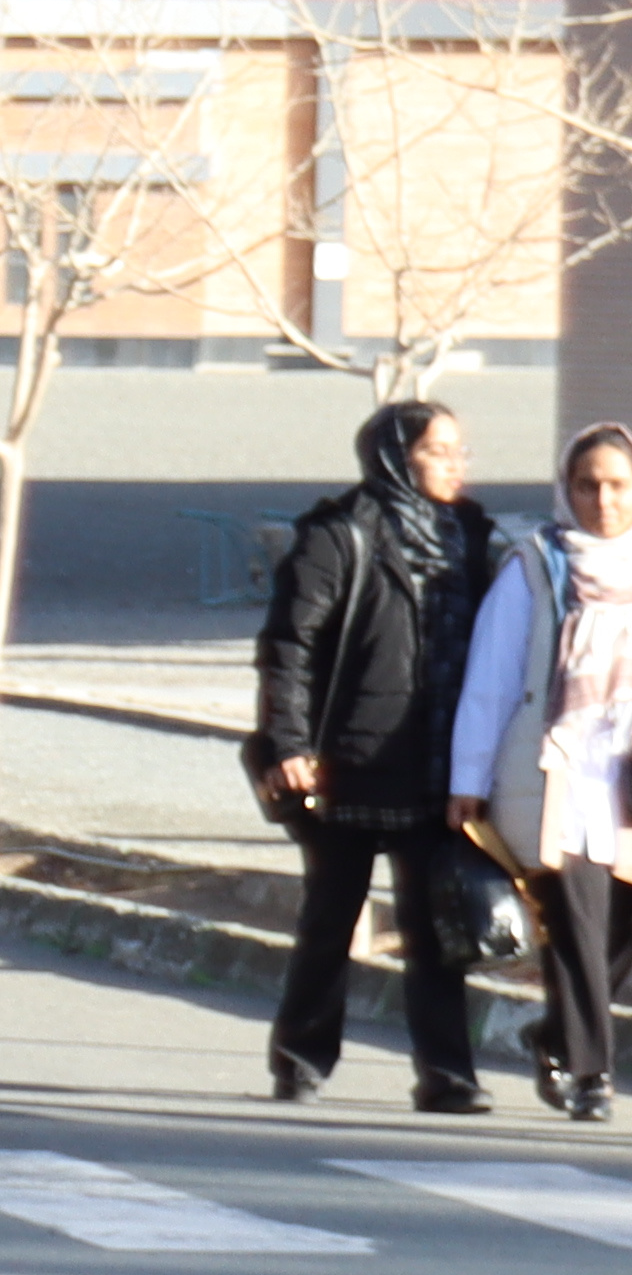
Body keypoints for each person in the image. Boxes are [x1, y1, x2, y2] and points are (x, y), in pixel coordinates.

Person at [258, 398, 498, 1110]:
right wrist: (289, 742)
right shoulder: (341, 536)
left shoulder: (473, 537)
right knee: (332, 918)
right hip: (349, 764)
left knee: (439, 928)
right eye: (438, 451)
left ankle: (448, 1077)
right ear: (397, 458)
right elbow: (289, 646)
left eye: (459, 450)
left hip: (439, 764)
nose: (456, 464)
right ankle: (301, 1061)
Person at [459, 422, 632, 1120]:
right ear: (566, 488)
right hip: (557, 768)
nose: (603, 499)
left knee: (618, 926)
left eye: (618, 484)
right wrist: (466, 780)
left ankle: (557, 1034)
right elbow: (492, 681)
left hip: (625, 775)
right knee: (579, 920)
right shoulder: (536, 566)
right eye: (587, 484)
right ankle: (591, 1075)